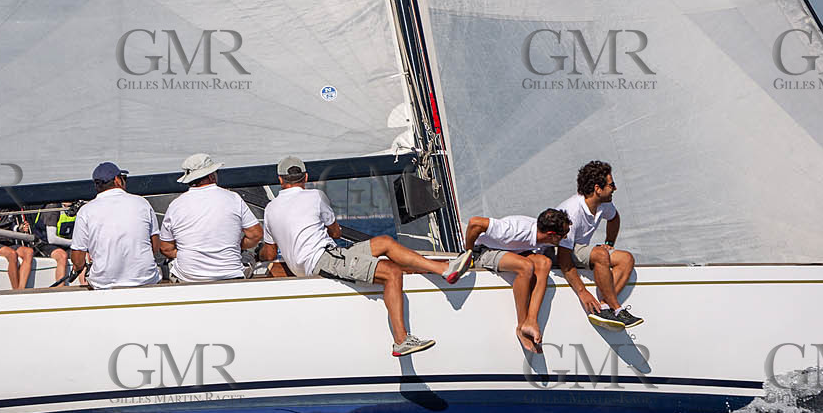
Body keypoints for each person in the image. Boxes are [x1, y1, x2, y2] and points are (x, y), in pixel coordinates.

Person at [260, 155, 454, 357]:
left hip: (322, 259)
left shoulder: (270, 209)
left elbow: (270, 253)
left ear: (280, 180)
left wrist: (259, 253)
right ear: (306, 177)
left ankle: (443, 268)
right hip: (323, 260)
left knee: (385, 242)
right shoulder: (316, 196)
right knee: (392, 272)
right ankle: (401, 340)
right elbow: (335, 233)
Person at [452, 209, 571, 352]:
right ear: (551, 235)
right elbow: (475, 223)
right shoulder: (513, 231)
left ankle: (531, 321)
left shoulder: (543, 236)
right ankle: (521, 327)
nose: (565, 238)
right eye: (563, 236)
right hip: (483, 251)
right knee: (526, 267)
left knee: (544, 263)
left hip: (511, 251)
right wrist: (468, 253)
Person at [556, 160, 642, 329]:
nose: (615, 188)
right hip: (557, 250)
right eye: (611, 185)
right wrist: (582, 292)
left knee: (626, 259)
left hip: (576, 249)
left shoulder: (604, 204)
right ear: (597, 189)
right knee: (601, 254)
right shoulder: (572, 211)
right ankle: (617, 308)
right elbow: (563, 257)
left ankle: (603, 307)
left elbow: (614, 218)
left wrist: (609, 242)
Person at [159, 153, 263, 282]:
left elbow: (165, 248)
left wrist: (188, 254)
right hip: (230, 274)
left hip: (189, 278)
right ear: (211, 176)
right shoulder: (233, 198)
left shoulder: (176, 205)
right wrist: (237, 247)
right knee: (248, 256)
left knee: (167, 264)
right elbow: (255, 234)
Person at [69, 162, 161, 289]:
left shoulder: (85, 211)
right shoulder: (142, 203)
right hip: (145, 279)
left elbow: (78, 259)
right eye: (124, 178)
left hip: (104, 284)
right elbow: (155, 247)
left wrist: (79, 267)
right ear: (117, 180)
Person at [0, 212, 34, 290]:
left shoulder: (10, 209)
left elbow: (11, 226)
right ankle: (15, 290)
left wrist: (19, 229)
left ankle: (21, 289)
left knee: (29, 252)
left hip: (9, 242)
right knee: (12, 254)